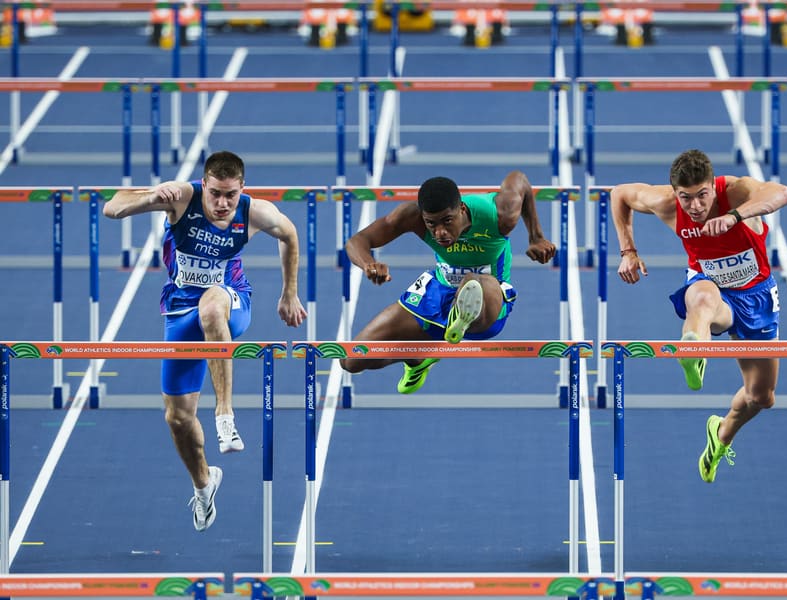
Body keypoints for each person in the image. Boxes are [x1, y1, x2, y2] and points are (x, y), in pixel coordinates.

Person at [103, 151, 307, 531]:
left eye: (230, 195)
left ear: (242, 188)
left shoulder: (254, 211)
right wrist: (150, 199)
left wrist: (289, 293)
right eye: (215, 194)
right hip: (180, 311)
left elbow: (289, 234)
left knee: (212, 305)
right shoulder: (181, 196)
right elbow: (112, 208)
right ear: (204, 185)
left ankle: (225, 416)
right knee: (178, 418)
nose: (222, 204)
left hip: (231, 303)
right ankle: (203, 483)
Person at [611, 149, 787, 483]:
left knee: (761, 397)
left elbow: (783, 193)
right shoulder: (666, 203)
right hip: (711, 288)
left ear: (713, 186)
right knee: (703, 298)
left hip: (757, 295)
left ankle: (721, 434)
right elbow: (619, 193)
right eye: (686, 198)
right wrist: (628, 251)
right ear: (674, 193)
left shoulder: (736, 190)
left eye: (701, 196)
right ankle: (693, 347)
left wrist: (735, 216)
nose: (694, 207)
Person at [339, 171, 556, 392]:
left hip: (489, 299)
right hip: (438, 291)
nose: (440, 232)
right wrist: (368, 264)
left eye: (447, 221)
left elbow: (519, 179)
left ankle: (460, 316)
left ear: (461, 209)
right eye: (431, 224)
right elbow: (357, 241)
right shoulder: (410, 216)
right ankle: (419, 357)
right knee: (351, 360)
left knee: (474, 283)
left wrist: (536, 236)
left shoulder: (499, 214)